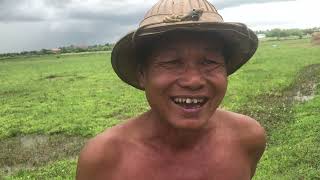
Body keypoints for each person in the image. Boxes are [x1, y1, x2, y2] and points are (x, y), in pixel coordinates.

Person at [76, 0, 266, 179]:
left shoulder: (247, 138)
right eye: (172, 62)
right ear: (142, 74)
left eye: (210, 62)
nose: (193, 81)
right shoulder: (104, 159)